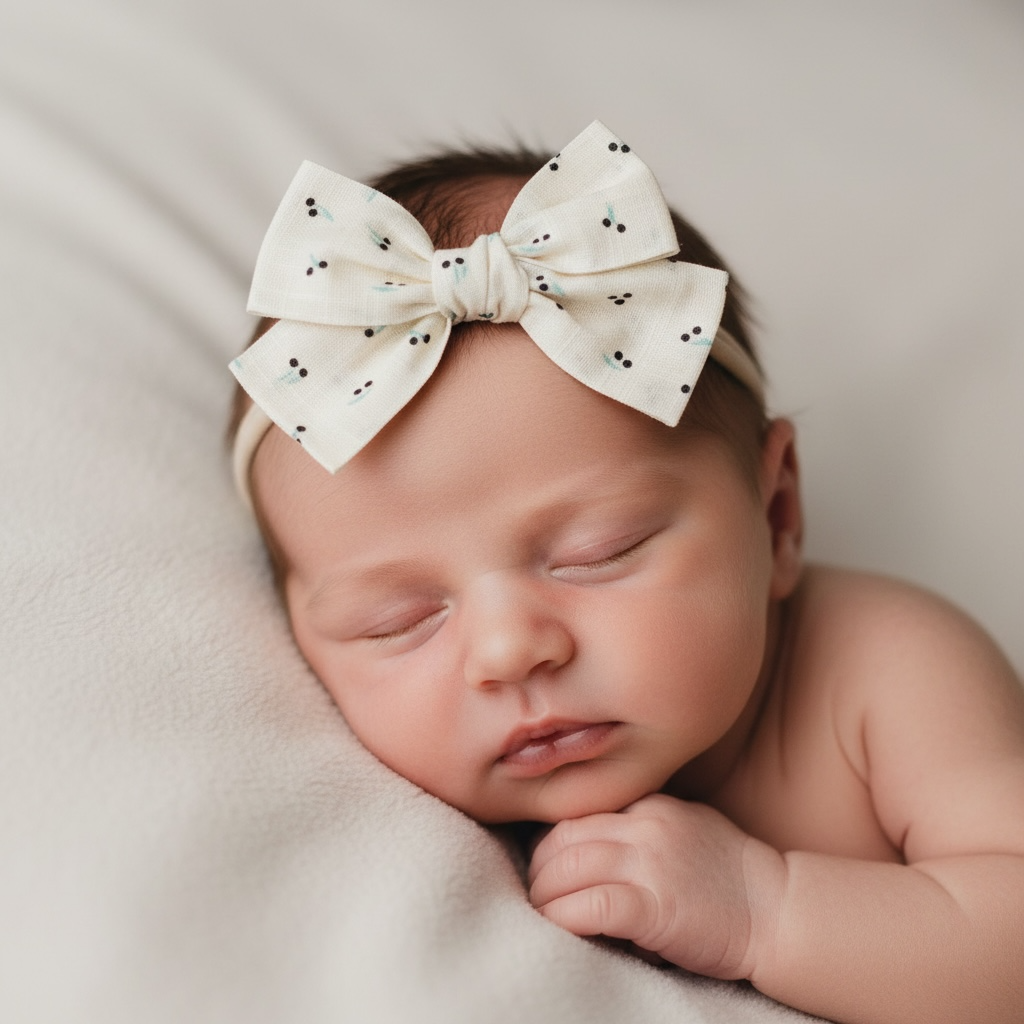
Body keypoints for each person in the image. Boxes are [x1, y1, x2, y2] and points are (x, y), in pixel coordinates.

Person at [227, 122, 1024, 1023]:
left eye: (595, 555)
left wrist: (766, 909)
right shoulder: (408, 845)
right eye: (398, 618)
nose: (509, 650)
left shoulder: (888, 670)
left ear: (776, 516)